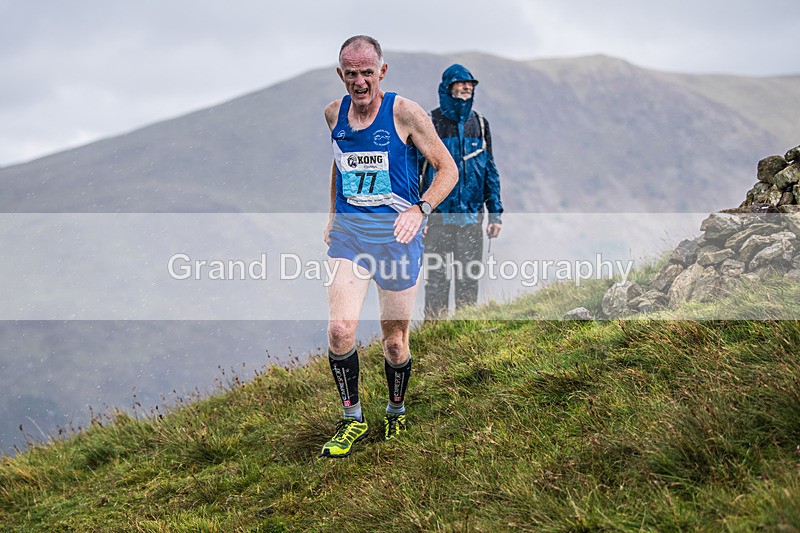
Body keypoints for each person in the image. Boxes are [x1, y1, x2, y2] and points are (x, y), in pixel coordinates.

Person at [319, 35, 458, 458]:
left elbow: (446, 169)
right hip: (351, 237)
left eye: (367, 72)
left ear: (382, 71)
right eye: (351, 73)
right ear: (340, 74)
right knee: (340, 331)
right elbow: (341, 163)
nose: (359, 82)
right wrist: (331, 215)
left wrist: (420, 209)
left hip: (398, 240)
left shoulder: (405, 112)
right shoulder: (332, 115)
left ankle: (395, 409)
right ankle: (352, 420)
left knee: (395, 342)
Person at [420, 64, 503, 319]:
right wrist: (419, 214)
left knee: (468, 280)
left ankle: (464, 335)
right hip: (438, 221)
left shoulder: (479, 123)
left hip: (471, 220)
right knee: (437, 283)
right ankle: (433, 335)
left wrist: (495, 214)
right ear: (448, 87)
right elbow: (417, 173)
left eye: (471, 84)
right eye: (461, 83)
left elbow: (489, 170)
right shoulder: (430, 123)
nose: (467, 87)